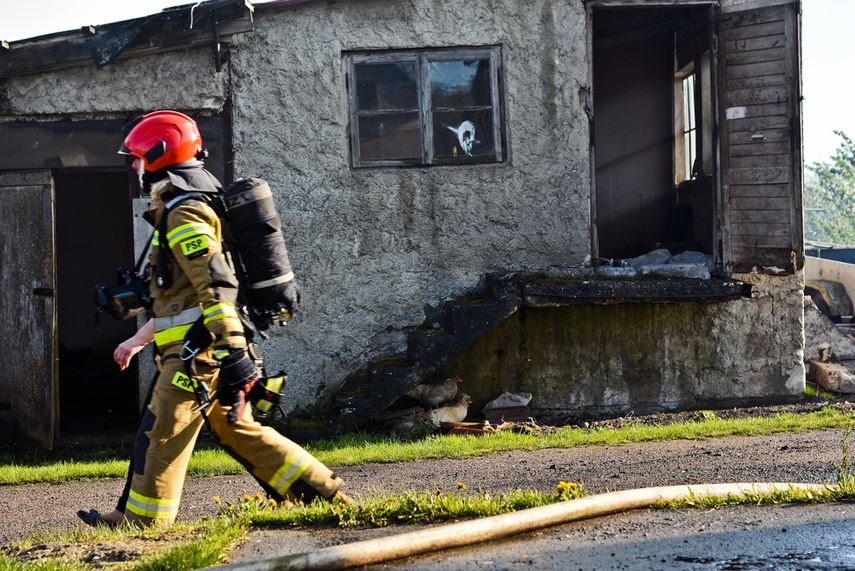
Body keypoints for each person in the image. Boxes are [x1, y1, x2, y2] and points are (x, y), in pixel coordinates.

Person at [78, 110, 348, 528]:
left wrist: (234, 351)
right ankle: (325, 497)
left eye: (138, 158)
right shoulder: (181, 207)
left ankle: (142, 525)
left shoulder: (184, 213)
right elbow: (184, 293)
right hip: (200, 349)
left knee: (161, 434)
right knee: (234, 429)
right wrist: (140, 307)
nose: (134, 167)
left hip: (198, 353)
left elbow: (216, 286)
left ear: (160, 156)